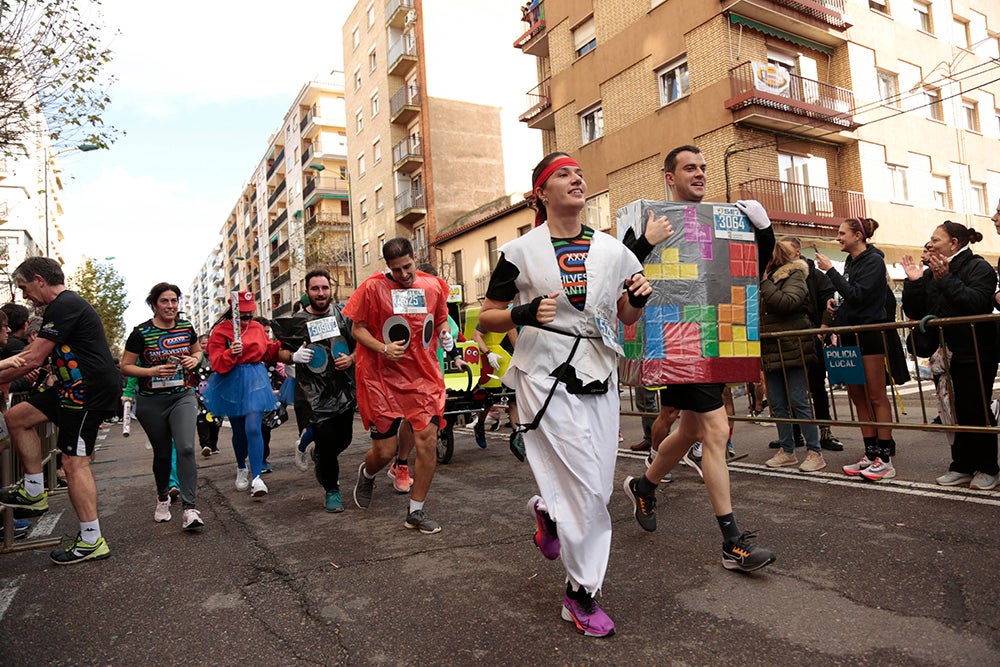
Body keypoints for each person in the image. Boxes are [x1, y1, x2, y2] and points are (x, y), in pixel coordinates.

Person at [479, 152, 652, 638]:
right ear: (542, 192)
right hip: (543, 376)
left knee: (596, 482)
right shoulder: (519, 252)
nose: (577, 180)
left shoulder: (614, 251)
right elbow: (486, 317)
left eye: (579, 174)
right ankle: (581, 593)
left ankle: (550, 513)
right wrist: (525, 313)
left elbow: (624, 316)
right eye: (564, 175)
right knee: (587, 489)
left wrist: (634, 300)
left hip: (599, 372)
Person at [622, 144, 777, 574]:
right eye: (690, 167)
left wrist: (763, 231)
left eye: (703, 167)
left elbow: (747, 270)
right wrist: (644, 241)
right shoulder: (651, 219)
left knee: (690, 430)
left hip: (715, 340)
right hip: (676, 342)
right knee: (715, 429)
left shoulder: (719, 221)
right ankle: (732, 542)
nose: (700, 173)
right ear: (669, 176)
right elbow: (619, 273)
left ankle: (644, 484)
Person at [0, 257, 121, 565]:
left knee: (73, 463)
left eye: (24, 287)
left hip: (87, 391)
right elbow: (30, 353)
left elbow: (33, 359)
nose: (24, 296)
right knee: (16, 417)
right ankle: (34, 490)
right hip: (69, 388)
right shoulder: (58, 309)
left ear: (39, 279)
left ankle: (92, 540)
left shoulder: (66, 304)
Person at [344, 238, 453, 535]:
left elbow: (442, 320)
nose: (404, 275)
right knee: (384, 451)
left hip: (423, 378)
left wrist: (445, 336)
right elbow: (357, 328)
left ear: (414, 257)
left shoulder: (433, 286)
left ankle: (415, 511)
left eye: (407, 267)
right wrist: (382, 348)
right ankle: (367, 473)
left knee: (427, 441)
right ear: (387, 267)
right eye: (396, 270)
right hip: (383, 378)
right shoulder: (372, 287)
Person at [902, 221, 998, 490]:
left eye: (936, 239)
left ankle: (988, 467)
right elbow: (918, 309)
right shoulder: (933, 271)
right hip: (944, 353)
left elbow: (976, 303)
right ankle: (961, 466)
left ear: (954, 243)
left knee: (975, 409)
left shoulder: (978, 267)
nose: (930, 244)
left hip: (974, 351)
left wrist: (947, 279)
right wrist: (914, 283)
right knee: (951, 411)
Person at [815, 218, 896, 480]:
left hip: (869, 334)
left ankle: (885, 458)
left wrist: (830, 272)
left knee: (875, 396)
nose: (837, 238)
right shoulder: (850, 262)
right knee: (857, 396)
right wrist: (835, 304)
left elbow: (860, 295)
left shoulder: (873, 260)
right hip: (850, 335)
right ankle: (870, 453)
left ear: (858, 235)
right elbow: (851, 295)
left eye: (842, 233)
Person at [120, 283, 204, 530]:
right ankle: (163, 496)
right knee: (163, 454)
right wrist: (152, 371)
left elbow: (198, 352)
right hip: (151, 401)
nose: (171, 306)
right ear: (154, 305)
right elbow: (125, 367)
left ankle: (190, 509)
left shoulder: (186, 327)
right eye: (165, 301)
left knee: (187, 448)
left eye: (174, 301)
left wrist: (194, 359)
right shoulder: (141, 333)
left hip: (182, 396)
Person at [204, 291, 303, 499]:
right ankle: (242, 467)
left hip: (256, 380)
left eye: (251, 314)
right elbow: (216, 362)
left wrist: (288, 347)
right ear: (234, 312)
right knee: (239, 431)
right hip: (231, 382)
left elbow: (268, 351)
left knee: (253, 427)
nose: (248, 319)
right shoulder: (221, 331)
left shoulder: (257, 328)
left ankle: (257, 477)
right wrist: (230, 352)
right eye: (244, 315)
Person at [276, 269, 357, 512]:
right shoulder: (297, 321)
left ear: (330, 289)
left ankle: (320, 455)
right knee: (326, 439)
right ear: (307, 291)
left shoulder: (343, 315)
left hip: (344, 389)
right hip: (313, 395)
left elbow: (361, 343)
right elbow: (279, 352)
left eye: (324, 288)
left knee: (345, 439)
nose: (320, 293)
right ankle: (332, 490)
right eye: (315, 289)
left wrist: (352, 359)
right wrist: (294, 356)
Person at [770, 238, 842, 452]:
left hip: (813, 336)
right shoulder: (778, 273)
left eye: (785, 249)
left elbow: (829, 302)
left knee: (817, 386)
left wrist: (821, 332)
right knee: (789, 390)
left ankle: (825, 432)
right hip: (789, 340)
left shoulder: (814, 274)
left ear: (797, 252)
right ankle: (792, 435)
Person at [758, 241, 824, 471]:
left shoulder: (795, 274)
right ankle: (787, 450)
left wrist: (765, 282)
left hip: (791, 346)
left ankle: (815, 452)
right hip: (771, 347)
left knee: (799, 401)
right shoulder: (765, 278)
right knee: (777, 403)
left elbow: (788, 303)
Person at [193, 334, 221, 457]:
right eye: (202, 343)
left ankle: (213, 444)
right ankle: (205, 445)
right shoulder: (195, 358)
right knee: (202, 419)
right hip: (199, 393)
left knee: (216, 418)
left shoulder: (217, 356)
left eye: (207, 343)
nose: (205, 346)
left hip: (216, 393)